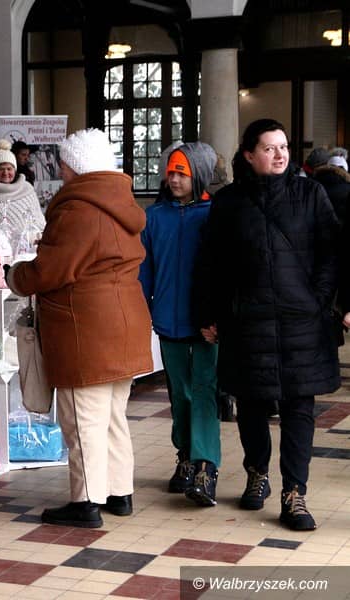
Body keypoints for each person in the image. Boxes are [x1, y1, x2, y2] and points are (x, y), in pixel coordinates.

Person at [194, 118, 340, 531]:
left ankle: (295, 493)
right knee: (251, 405)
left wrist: (318, 299)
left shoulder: (310, 194)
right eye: (269, 148)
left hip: (301, 322)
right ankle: (257, 473)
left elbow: (331, 252)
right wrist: (210, 313)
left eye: (284, 147)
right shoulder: (229, 202)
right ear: (249, 155)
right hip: (248, 321)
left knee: (299, 408)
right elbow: (212, 264)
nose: (280, 155)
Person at [5, 128, 152, 528]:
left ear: (76, 167)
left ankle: (85, 502)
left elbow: (50, 270)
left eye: (65, 164)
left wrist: (15, 276)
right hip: (125, 323)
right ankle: (119, 493)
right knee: (112, 416)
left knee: (83, 418)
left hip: (85, 328)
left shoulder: (79, 209)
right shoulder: (120, 203)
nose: (61, 171)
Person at [139, 142, 221, 506]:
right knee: (179, 393)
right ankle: (185, 454)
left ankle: (205, 465)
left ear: (199, 175)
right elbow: (145, 270)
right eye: (171, 172)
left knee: (204, 390)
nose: (173, 179)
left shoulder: (214, 214)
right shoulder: (155, 217)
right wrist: (144, 310)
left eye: (182, 173)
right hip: (167, 321)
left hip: (206, 324)